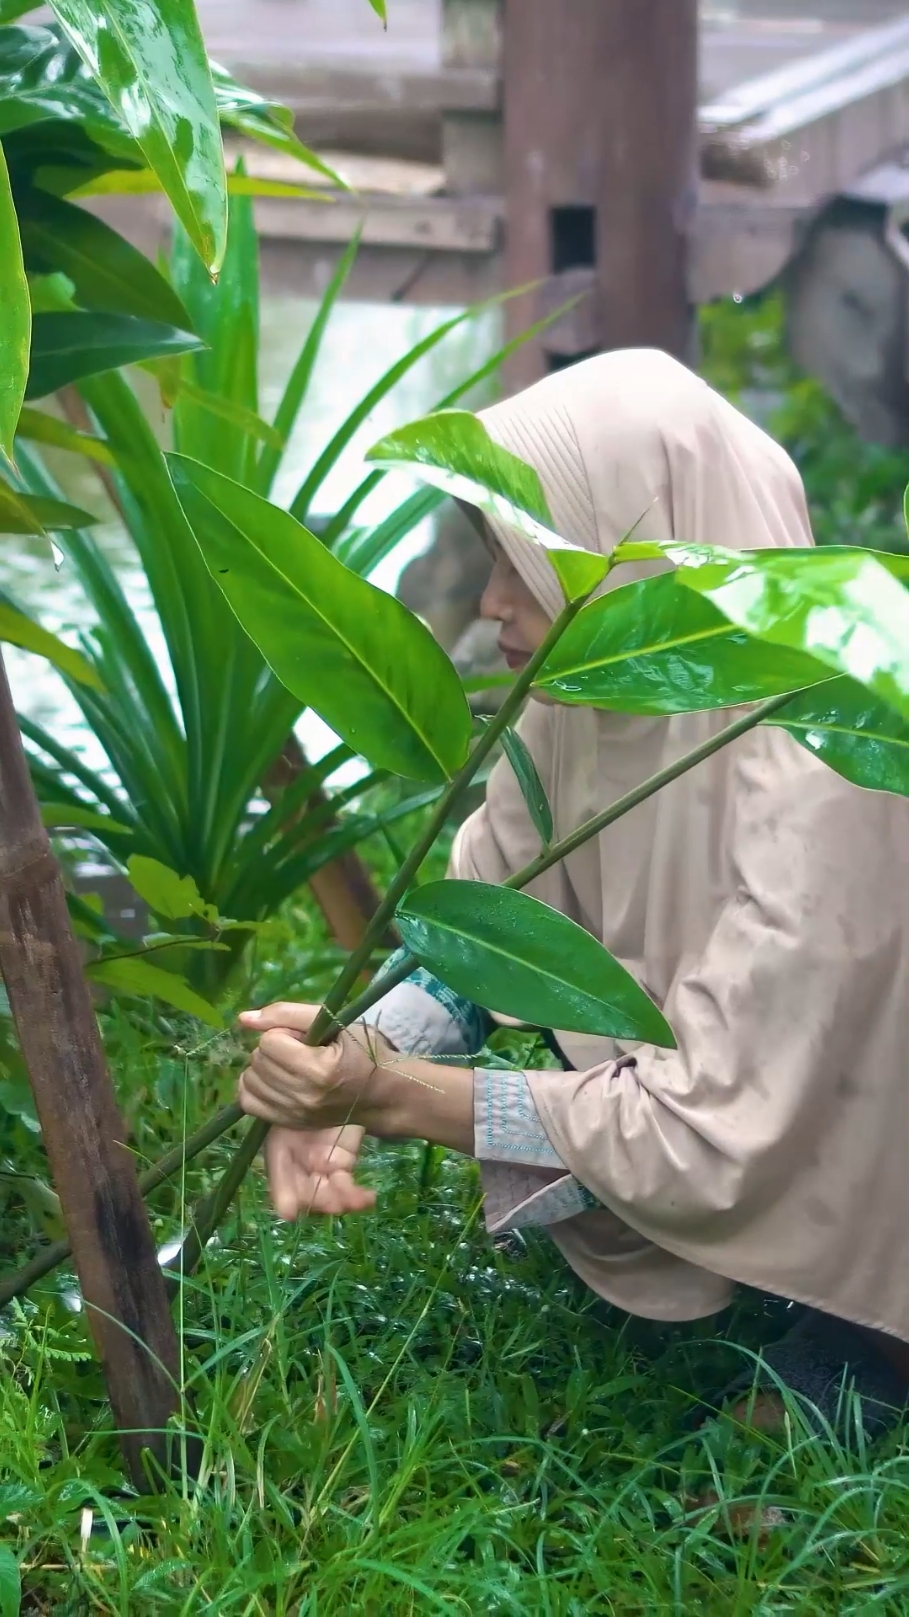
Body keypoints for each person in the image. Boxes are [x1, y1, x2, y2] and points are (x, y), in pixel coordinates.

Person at [237, 350, 909, 1429]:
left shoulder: (834, 747)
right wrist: (356, 1049)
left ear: (630, 554)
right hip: (727, 1099)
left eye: (524, 560)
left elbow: (710, 1130)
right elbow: (491, 924)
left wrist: (390, 1094)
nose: (496, 602)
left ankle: (869, 1332)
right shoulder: (588, 695)